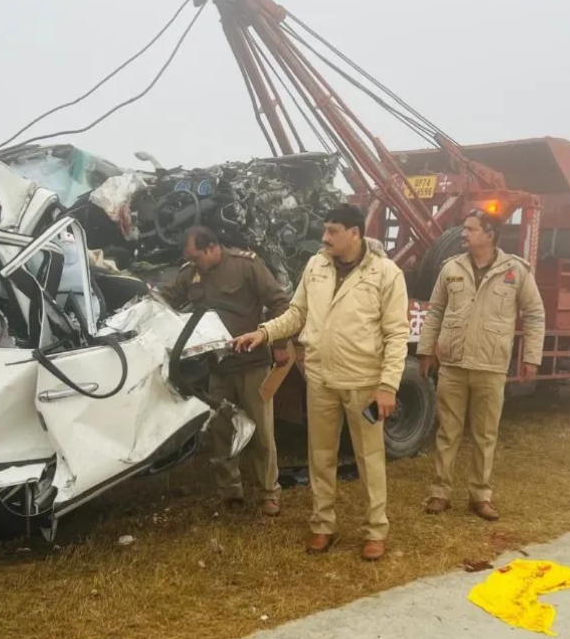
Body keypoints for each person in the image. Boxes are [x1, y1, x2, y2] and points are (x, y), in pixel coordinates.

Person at [233, 205, 409, 561]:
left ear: (355, 234)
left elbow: (396, 334)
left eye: (332, 231)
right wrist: (265, 332)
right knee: (321, 456)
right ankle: (322, 525)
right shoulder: (316, 267)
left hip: (364, 384)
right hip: (321, 381)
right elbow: (297, 313)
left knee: (370, 457)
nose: (325, 237)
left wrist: (387, 386)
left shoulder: (385, 273)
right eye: (325, 230)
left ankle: (376, 530)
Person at [416, 209, 545, 521]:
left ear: (490, 235)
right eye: (464, 227)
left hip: (491, 366)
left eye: (471, 229)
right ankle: (440, 492)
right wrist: (425, 350)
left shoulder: (515, 271)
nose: (463, 233)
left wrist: (531, 358)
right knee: (448, 432)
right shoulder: (451, 269)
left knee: (485, 434)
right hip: (453, 365)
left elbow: (535, 314)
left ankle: (480, 496)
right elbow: (435, 312)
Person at [160, 225, 291, 516]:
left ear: (211, 248)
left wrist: (280, 343)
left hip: (252, 364)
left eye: (197, 257)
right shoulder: (191, 273)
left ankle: (270, 492)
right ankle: (230, 493)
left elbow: (280, 303)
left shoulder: (246, 265)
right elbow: (164, 299)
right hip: (217, 368)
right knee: (223, 432)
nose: (194, 264)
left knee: (262, 432)